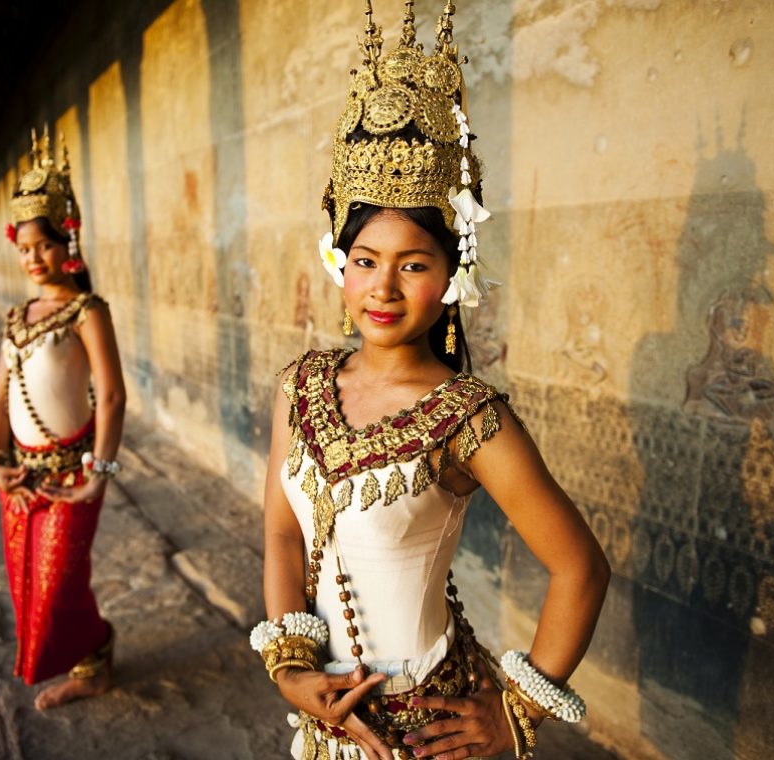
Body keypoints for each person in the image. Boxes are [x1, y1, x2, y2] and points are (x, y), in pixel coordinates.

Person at [254, 3, 610, 758]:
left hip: (431, 733)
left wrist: (514, 716)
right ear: (340, 266)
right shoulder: (300, 386)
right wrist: (290, 667)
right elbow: (283, 532)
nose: (382, 288)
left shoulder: (467, 417)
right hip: (325, 722)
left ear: (452, 274)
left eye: (413, 264)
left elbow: (580, 566)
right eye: (365, 261)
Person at [0, 127, 127, 711]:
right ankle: (93, 656)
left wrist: (101, 472)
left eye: (43, 246)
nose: (33, 259)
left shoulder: (87, 310)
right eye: (23, 249)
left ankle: (96, 654)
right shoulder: (16, 318)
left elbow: (112, 397)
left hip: (73, 472)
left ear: (68, 242)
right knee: (27, 585)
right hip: (19, 476)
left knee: (59, 582)